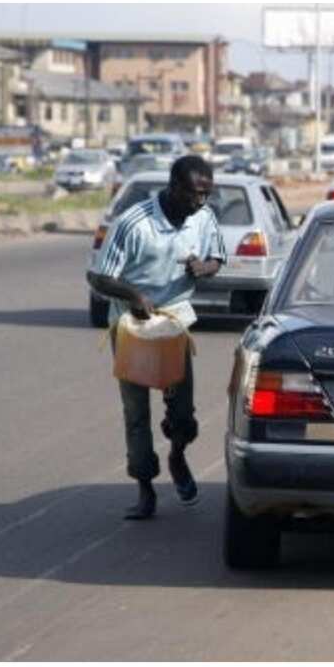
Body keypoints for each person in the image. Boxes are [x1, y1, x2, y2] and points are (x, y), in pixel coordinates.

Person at [86, 155, 227, 520]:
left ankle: (177, 455)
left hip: (175, 323)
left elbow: (218, 257)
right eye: (194, 194)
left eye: (206, 195)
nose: (200, 203)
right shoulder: (133, 223)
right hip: (132, 327)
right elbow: (98, 277)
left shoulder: (204, 217)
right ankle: (145, 486)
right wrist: (133, 297)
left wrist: (205, 267)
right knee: (136, 412)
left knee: (183, 414)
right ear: (173, 186)